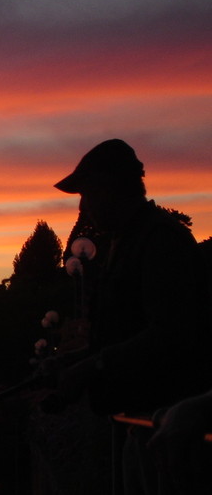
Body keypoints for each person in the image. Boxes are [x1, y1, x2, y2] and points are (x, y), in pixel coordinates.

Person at [45, 139, 212, 415]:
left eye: (87, 194)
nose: (83, 207)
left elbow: (171, 333)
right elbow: (125, 333)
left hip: (163, 421)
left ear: (109, 189)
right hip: (141, 419)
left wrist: (92, 366)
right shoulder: (129, 240)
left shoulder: (160, 240)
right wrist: (75, 360)